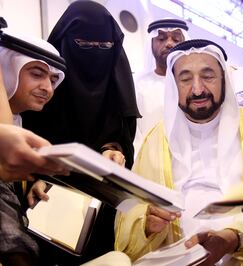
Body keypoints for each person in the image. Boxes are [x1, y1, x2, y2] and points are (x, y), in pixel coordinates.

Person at [114, 39, 243, 265]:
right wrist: (146, 224)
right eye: (185, 79)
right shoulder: (155, 140)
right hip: (177, 255)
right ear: (173, 85)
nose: (197, 89)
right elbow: (129, 211)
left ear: (224, 79)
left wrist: (232, 238)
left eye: (208, 76)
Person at [21, 1, 141, 264]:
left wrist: (114, 150)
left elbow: (123, 133)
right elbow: (23, 142)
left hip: (101, 202)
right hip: (46, 198)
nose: (94, 53)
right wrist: (34, 179)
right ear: (63, 44)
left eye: (103, 47)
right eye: (84, 45)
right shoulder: (41, 88)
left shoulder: (117, 83)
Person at [0, 30, 66, 266]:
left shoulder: (19, 119)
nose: (48, 88)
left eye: (53, 80)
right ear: (6, 68)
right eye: (37, 74)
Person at [134, 18, 189, 153]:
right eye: (161, 39)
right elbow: (135, 134)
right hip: (148, 163)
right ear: (151, 44)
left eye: (176, 40)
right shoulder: (138, 84)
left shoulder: (194, 86)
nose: (169, 44)